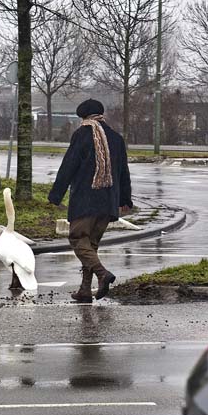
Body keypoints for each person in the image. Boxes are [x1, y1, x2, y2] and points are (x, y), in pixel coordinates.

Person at [48, 99, 133, 303]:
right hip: (108, 201)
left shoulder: (82, 135)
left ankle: (102, 274)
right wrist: (125, 199)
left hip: (86, 199)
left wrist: (55, 195)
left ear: (84, 117)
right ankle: (85, 290)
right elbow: (123, 172)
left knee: (78, 239)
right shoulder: (116, 138)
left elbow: (69, 166)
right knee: (90, 245)